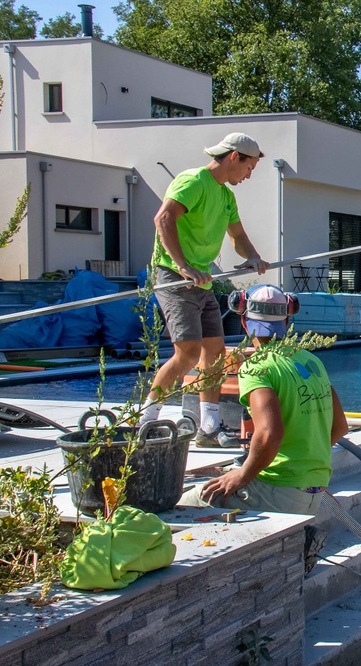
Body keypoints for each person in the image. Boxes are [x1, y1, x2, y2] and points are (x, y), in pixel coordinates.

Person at [140, 132, 270, 446]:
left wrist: (252, 256)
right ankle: (144, 420)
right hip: (175, 277)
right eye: (249, 167)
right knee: (186, 354)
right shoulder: (193, 181)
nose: (249, 175)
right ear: (235, 157)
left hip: (202, 280)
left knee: (213, 352)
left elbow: (238, 237)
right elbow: (164, 218)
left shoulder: (226, 196)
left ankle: (208, 428)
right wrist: (183, 265)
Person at [180, 284, 349, 517]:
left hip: (278, 490)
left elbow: (269, 434)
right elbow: (340, 426)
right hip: (314, 490)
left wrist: (244, 474)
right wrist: (303, 461)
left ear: (244, 323)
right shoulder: (311, 361)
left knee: (186, 502)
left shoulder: (257, 367)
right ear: (287, 321)